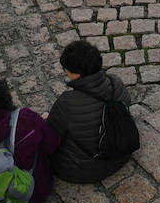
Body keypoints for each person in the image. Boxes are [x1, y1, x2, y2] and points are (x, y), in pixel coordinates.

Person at [45, 39, 134, 183]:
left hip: (82, 171)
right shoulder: (115, 81)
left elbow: (49, 140)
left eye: (66, 69)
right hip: (122, 155)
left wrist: (45, 120)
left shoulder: (67, 102)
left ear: (76, 74)